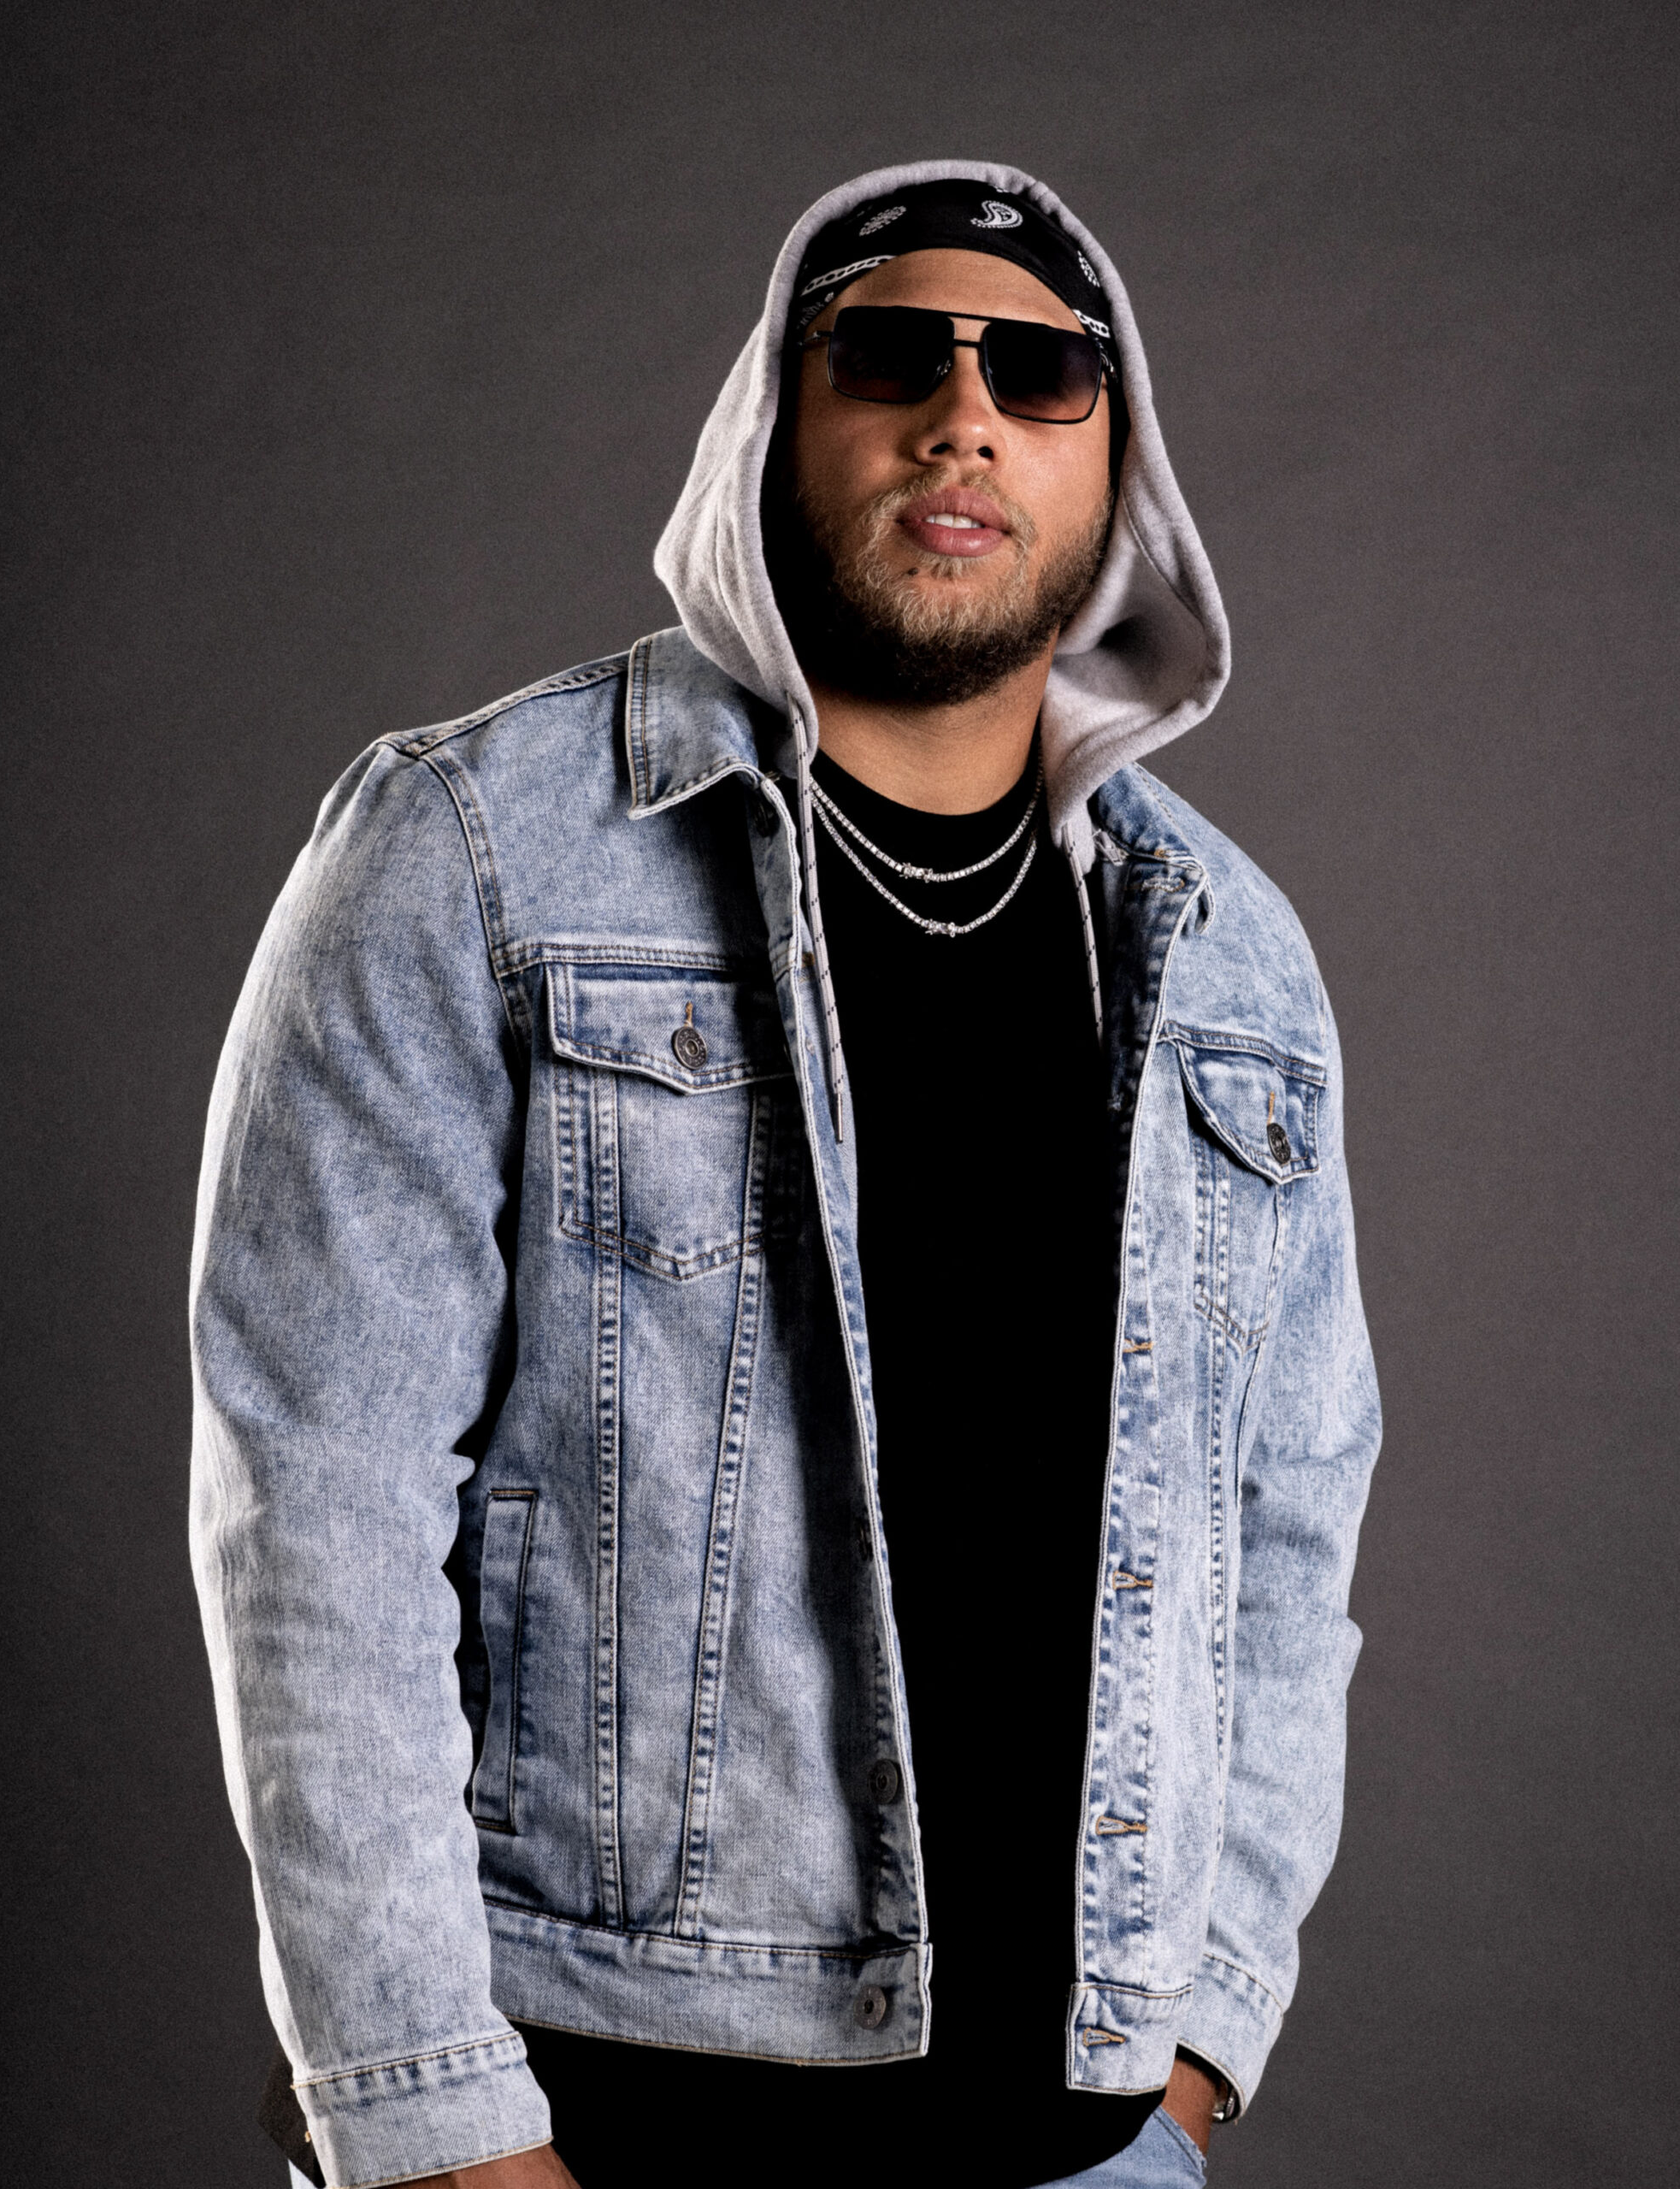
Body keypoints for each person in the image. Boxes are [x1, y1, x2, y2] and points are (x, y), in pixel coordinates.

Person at [192, 162, 1381, 2189]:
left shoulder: (1223, 950)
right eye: (893, 355)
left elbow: (1290, 1526)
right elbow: (316, 1507)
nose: (963, 416)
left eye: (1040, 372)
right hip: (597, 2129)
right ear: (776, 419)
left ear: (1116, 468)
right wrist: (435, 2126)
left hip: (1085, 2147)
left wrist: (1199, 2047)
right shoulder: (472, 851)